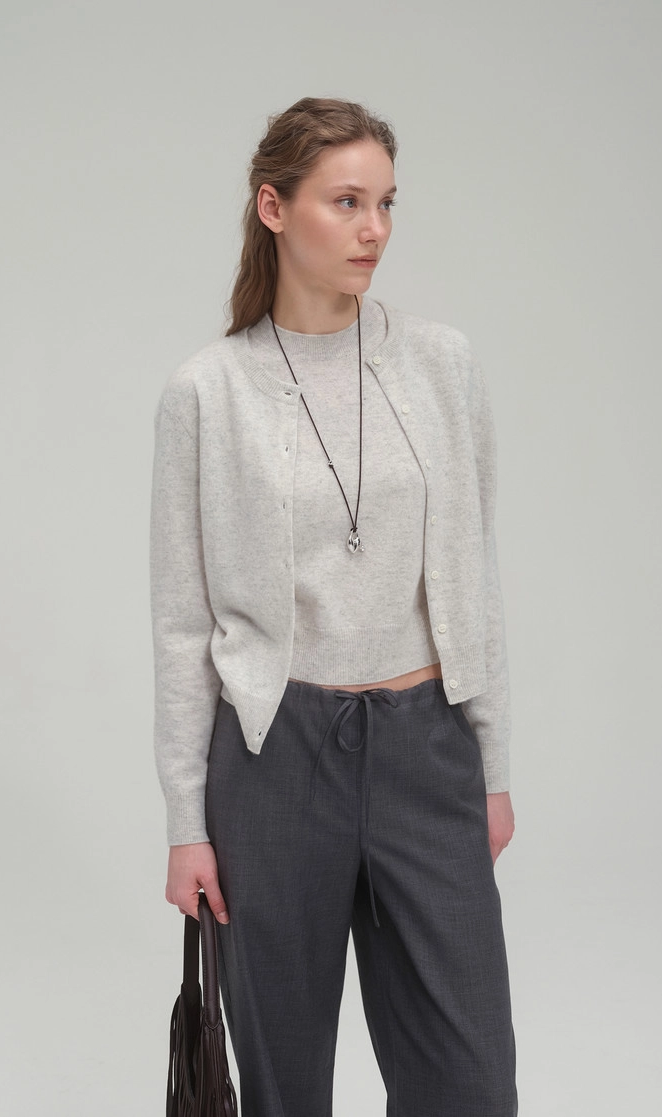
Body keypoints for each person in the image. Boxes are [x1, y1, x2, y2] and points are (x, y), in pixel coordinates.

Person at [150, 96, 517, 1117]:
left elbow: (473, 574)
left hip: (426, 745)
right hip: (274, 757)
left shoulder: (441, 364)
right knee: (283, 1088)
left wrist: (490, 765)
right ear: (273, 207)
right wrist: (187, 822)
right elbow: (183, 626)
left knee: (470, 1083)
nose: (374, 229)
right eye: (346, 201)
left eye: (386, 203)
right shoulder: (207, 391)